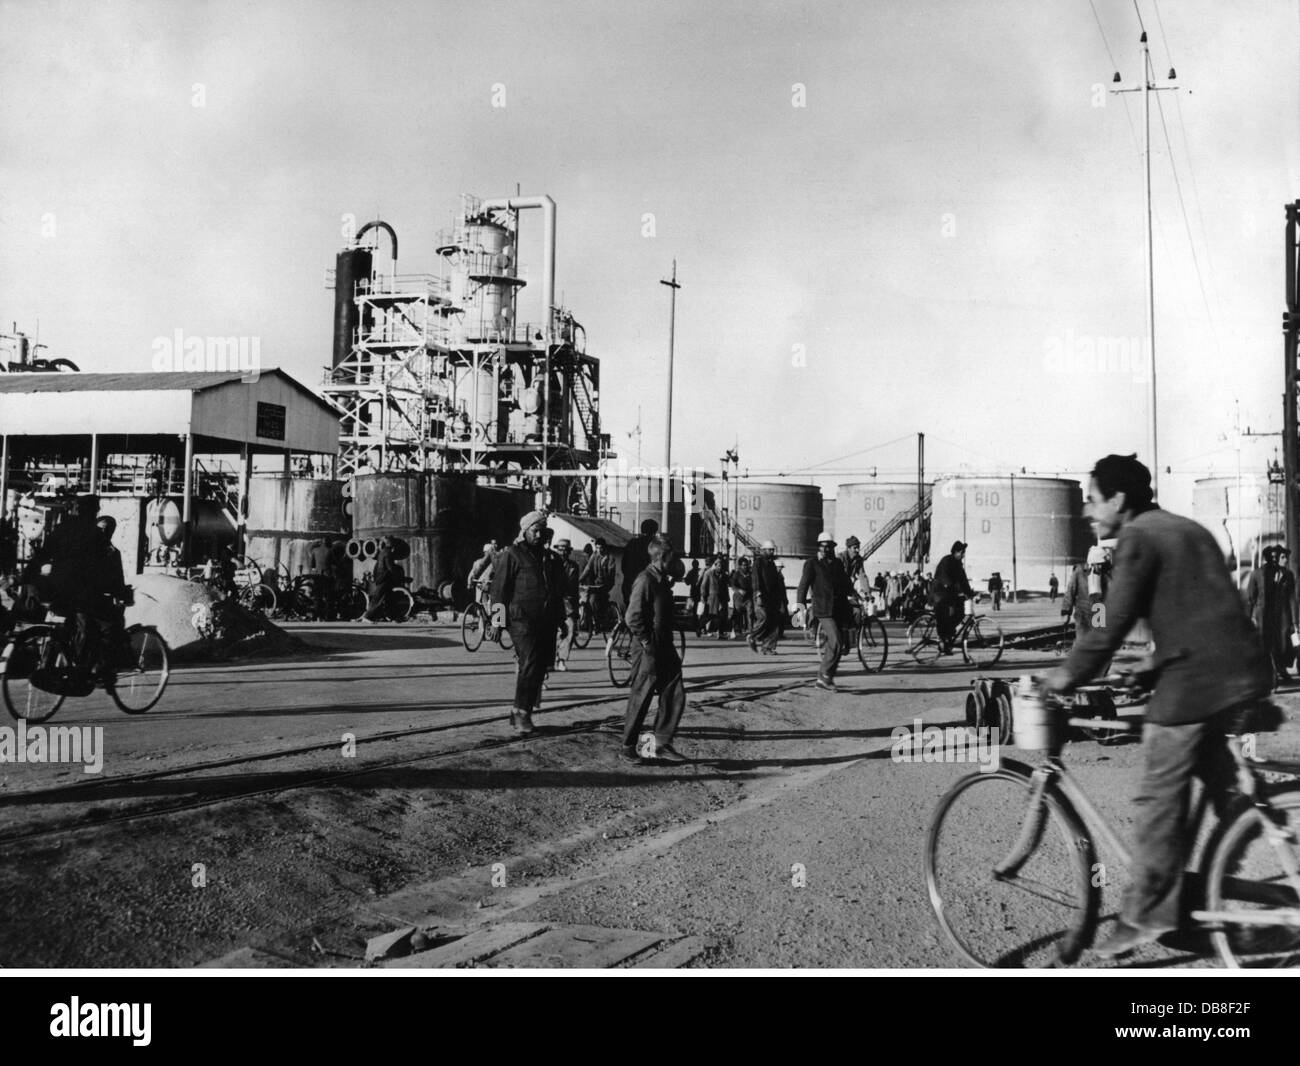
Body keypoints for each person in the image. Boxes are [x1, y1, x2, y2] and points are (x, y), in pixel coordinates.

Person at [1044, 454, 1272, 957]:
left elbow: (1109, 628)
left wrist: (1063, 676)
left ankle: (1146, 915)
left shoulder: (1139, 538)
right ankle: (1199, 892)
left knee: (1157, 801)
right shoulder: (1186, 528)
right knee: (1211, 794)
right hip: (1242, 671)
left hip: (1202, 684)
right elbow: (1201, 612)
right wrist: (1151, 667)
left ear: (1118, 500)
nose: (1086, 511)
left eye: (1091, 499)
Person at [491, 511, 574, 735]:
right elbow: (498, 591)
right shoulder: (512, 555)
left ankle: (522, 712)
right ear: (524, 531)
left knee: (539, 667)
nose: (538, 535)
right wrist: (497, 623)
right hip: (520, 620)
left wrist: (561, 620)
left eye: (541, 531)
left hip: (545, 621)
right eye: (534, 531)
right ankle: (521, 713)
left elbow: (556, 592)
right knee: (530, 662)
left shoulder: (551, 559)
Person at [20, 494, 114, 671]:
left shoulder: (61, 528)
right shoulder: (95, 534)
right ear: (94, 511)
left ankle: (52, 662)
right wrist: (118, 591)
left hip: (55, 589)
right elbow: (104, 569)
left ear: (76, 509)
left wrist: (28, 579)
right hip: (80, 592)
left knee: (66, 625)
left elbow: (42, 554)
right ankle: (81, 669)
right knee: (104, 622)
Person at [620, 535, 689, 764]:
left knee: (674, 691)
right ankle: (628, 747)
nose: (675, 559)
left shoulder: (661, 580)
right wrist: (647, 643)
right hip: (648, 647)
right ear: (662, 556)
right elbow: (633, 617)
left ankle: (659, 744)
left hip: (665, 645)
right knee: (642, 695)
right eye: (672, 555)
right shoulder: (646, 579)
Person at [796, 532, 854, 692]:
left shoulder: (837, 563)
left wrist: (855, 594)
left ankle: (826, 677)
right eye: (824, 546)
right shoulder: (812, 563)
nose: (827, 549)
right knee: (835, 640)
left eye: (829, 546)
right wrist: (800, 610)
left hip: (838, 608)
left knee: (839, 643)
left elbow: (845, 582)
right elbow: (803, 586)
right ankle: (824, 675)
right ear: (819, 547)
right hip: (822, 609)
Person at [1246, 545, 1295, 686]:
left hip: (1280, 615)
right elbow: (1251, 598)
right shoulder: (1258, 574)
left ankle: (1281, 669)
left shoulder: (1285, 574)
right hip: (1263, 616)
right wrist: (1249, 618)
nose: (1273, 560)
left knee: (1283, 643)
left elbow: (1291, 597)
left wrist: (1294, 620)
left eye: (1275, 557)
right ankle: (1270, 673)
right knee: (1266, 644)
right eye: (1271, 557)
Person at [930, 541, 975, 652]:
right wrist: (954, 589)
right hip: (939, 591)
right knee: (945, 611)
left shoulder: (958, 565)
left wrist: (969, 593)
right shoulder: (947, 560)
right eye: (962, 552)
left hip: (950, 591)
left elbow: (963, 580)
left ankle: (948, 634)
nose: (963, 555)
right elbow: (944, 577)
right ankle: (942, 639)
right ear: (955, 552)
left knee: (960, 611)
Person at [1063, 546, 1111, 640]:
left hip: (1099, 611)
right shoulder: (1079, 572)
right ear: (1092, 563)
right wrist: (1066, 611)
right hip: (1082, 614)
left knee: (1098, 642)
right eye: (1099, 564)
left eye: (1103, 564)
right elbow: (1070, 591)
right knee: (1082, 641)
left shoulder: (1105, 574)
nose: (1101, 567)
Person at [551, 537, 581, 672]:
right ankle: (551, 658)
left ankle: (561, 659)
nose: (563, 552)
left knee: (570, 629)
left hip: (568, 602)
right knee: (553, 633)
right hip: (553, 601)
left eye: (566, 550)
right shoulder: (550, 564)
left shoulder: (574, 566)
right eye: (560, 549)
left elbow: (574, 587)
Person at [749, 540, 785, 654]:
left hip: (772, 599)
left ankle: (767, 648)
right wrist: (758, 594)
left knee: (773, 622)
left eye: (772, 550)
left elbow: (775, 583)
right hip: (761, 597)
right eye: (769, 550)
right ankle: (752, 636)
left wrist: (779, 599)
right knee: (763, 617)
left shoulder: (772, 564)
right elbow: (755, 579)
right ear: (763, 550)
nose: (771, 552)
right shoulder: (758, 563)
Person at [618, 518, 658, 615]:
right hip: (647, 587)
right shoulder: (654, 545)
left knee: (631, 614)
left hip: (629, 585)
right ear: (655, 531)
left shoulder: (632, 543)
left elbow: (623, 565)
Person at [578, 536, 616, 627]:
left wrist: (604, 582)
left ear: (604, 547)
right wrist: (580, 580)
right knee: (591, 599)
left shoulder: (610, 558)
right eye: (597, 547)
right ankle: (593, 620)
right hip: (596, 583)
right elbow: (588, 568)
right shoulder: (594, 555)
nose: (599, 550)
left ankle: (600, 620)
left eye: (601, 548)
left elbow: (610, 574)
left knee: (596, 598)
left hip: (607, 583)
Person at [700, 554, 729, 638]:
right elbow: (703, 585)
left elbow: (726, 586)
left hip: (722, 598)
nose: (720, 567)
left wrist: (727, 598)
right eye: (718, 565)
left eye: (721, 566)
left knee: (722, 616)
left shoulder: (724, 575)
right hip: (712, 598)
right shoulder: (708, 573)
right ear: (715, 565)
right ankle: (700, 627)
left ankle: (720, 633)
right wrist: (703, 596)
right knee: (710, 615)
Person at [467, 542, 497, 610]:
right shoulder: (494, 563)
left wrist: (469, 583)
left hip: (483, 586)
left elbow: (471, 575)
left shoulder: (478, 562)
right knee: (486, 606)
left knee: (482, 605)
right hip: (487, 587)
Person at [730, 555, 753, 640]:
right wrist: (739, 590)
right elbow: (732, 584)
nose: (745, 567)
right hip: (738, 598)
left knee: (750, 613)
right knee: (737, 613)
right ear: (740, 566)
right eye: (743, 565)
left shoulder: (750, 574)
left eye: (746, 565)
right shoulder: (737, 574)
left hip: (748, 597)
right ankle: (736, 630)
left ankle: (750, 632)